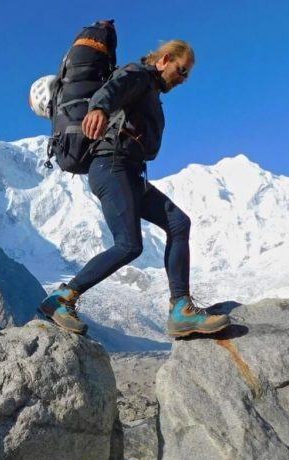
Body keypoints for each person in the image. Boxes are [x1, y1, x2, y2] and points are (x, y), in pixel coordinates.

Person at [39, 40, 230, 338]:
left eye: (187, 75)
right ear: (165, 59)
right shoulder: (138, 73)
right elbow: (114, 88)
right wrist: (100, 108)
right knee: (129, 244)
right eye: (182, 71)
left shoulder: (150, 86)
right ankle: (62, 298)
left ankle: (180, 308)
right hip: (112, 168)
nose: (183, 80)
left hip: (130, 172)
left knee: (179, 224)